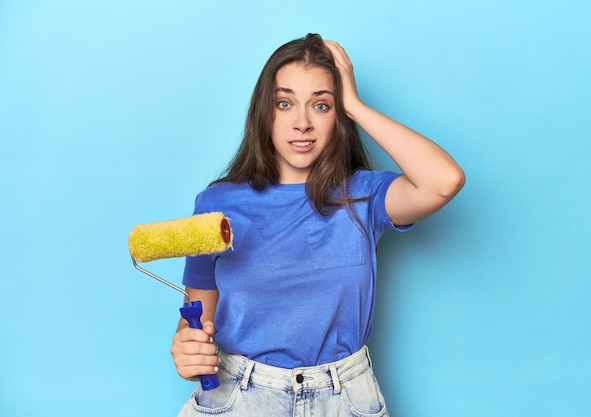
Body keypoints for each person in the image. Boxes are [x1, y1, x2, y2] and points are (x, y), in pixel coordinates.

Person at [171, 33, 465, 416]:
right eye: (285, 103)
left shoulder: (364, 196)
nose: (302, 123)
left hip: (343, 398)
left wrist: (355, 105)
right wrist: (186, 350)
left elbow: (444, 180)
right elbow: (195, 320)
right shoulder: (217, 205)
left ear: (337, 115)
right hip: (240, 397)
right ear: (265, 111)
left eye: (321, 105)